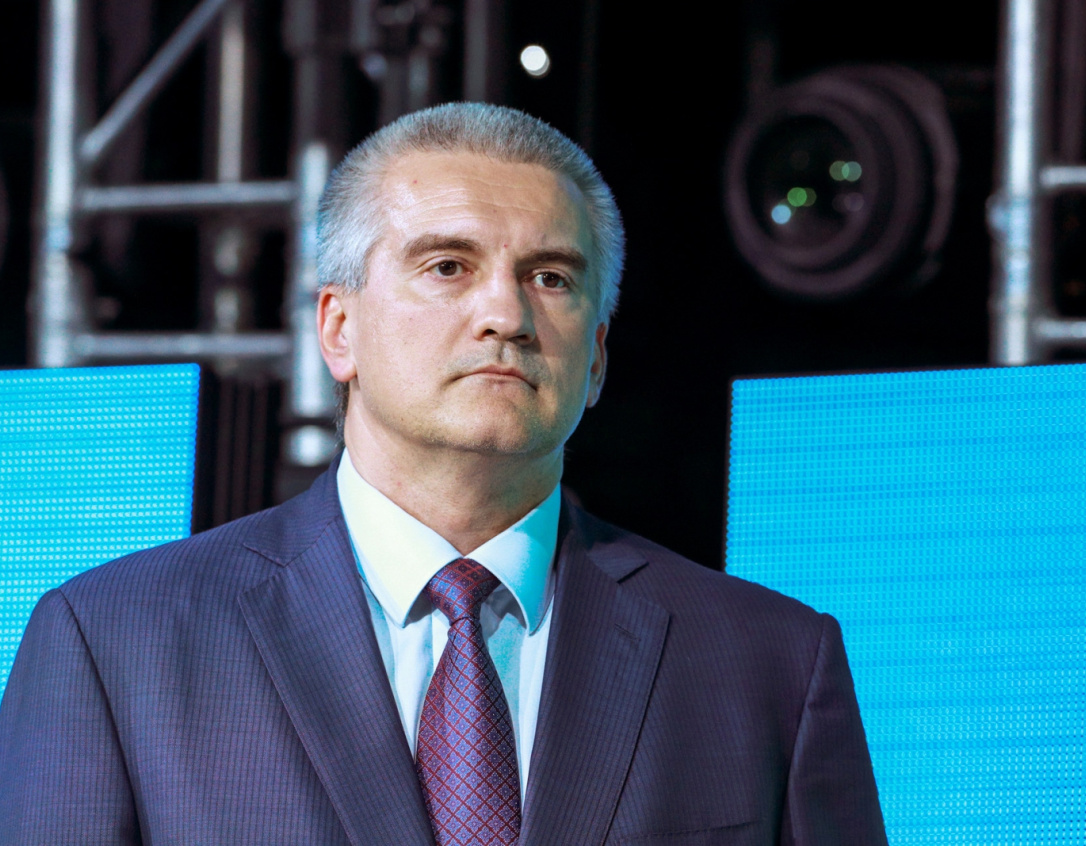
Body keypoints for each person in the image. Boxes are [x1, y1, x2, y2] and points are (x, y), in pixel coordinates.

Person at [0, 103, 887, 845]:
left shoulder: (770, 663)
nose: (506, 313)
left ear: (596, 359)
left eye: (550, 277)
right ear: (338, 329)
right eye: (449, 266)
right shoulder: (115, 644)